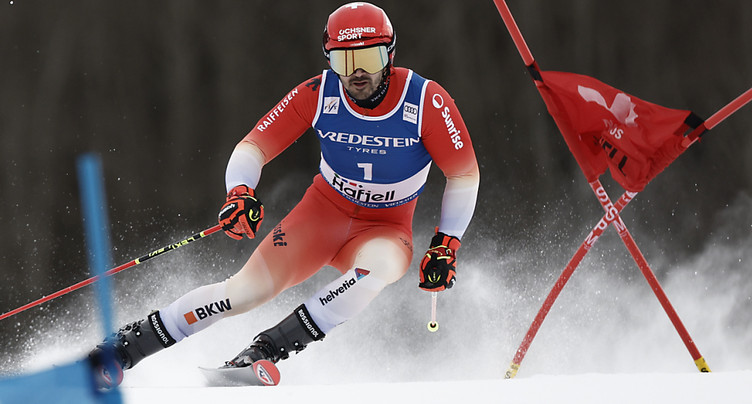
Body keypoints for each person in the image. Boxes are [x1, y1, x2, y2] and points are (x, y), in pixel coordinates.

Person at [89, 1, 480, 387]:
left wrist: (446, 244)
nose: (356, 72)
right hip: (322, 216)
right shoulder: (318, 93)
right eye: (343, 61)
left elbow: (463, 175)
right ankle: (123, 349)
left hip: (386, 227)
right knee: (244, 292)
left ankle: (261, 353)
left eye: (369, 58)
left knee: (376, 271)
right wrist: (239, 192)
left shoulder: (426, 101)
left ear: (390, 55)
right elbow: (253, 147)